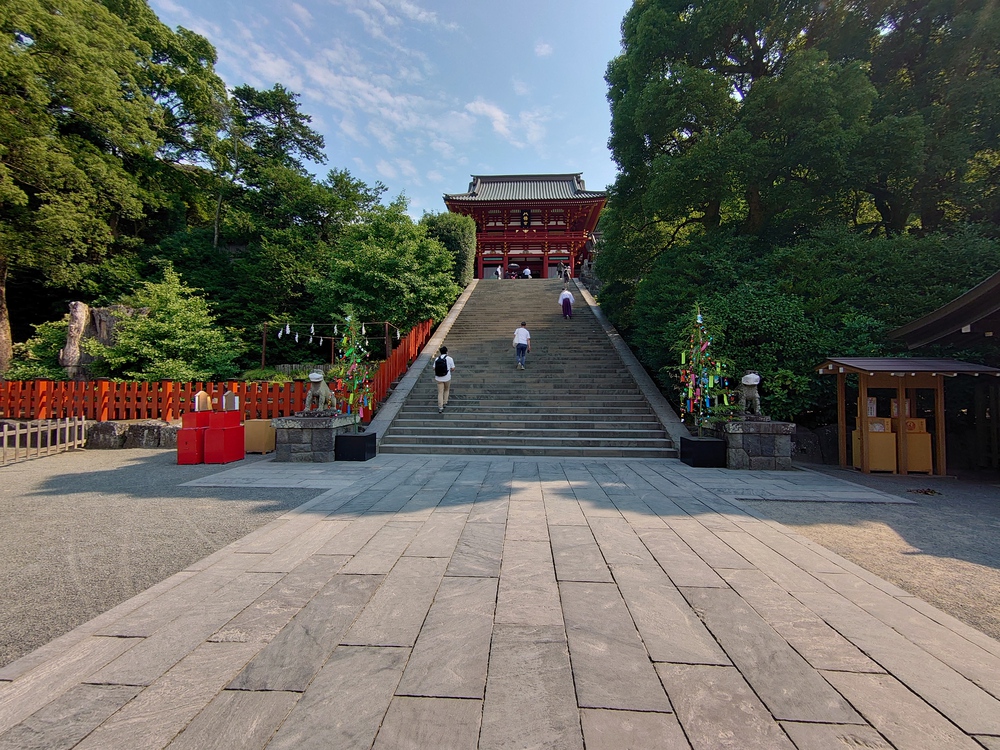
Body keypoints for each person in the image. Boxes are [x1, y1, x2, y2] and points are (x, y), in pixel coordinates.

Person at [433, 345, 455, 413]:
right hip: (447, 377)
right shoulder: (450, 359)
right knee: (446, 390)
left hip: (438, 378)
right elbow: (453, 368)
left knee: (440, 392)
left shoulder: (437, 359)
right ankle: (445, 402)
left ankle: (440, 407)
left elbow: (434, 368)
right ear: (446, 352)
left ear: (440, 352)